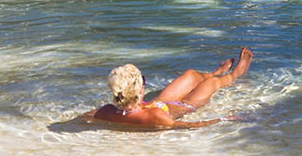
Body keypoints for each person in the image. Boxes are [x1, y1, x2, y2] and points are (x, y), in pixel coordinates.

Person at [84, 49, 252, 128]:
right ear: (140, 91)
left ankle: (215, 72)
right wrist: (221, 119)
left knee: (190, 75)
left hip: (158, 102)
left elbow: (83, 118)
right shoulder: (155, 116)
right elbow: (187, 125)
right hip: (185, 106)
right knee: (210, 84)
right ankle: (236, 73)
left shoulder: (105, 111)